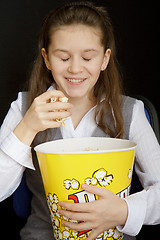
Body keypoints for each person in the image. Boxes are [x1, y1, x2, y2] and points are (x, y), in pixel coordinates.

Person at [0, 1, 160, 240]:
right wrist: (27, 127)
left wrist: (124, 210)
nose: (76, 69)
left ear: (105, 59)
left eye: (87, 58)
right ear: (46, 59)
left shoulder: (130, 112)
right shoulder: (24, 108)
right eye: (63, 58)